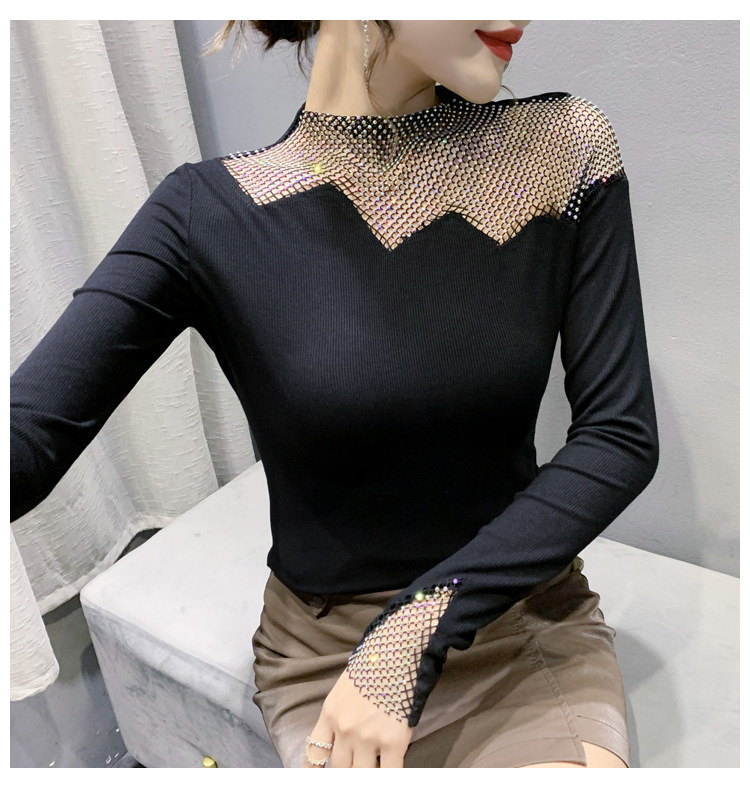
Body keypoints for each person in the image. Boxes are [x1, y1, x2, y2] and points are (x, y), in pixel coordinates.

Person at [10, 20, 659, 768]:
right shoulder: (208, 211)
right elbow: (32, 435)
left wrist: (411, 636)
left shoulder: (561, 151)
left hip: (516, 617)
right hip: (326, 652)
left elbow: (618, 437)